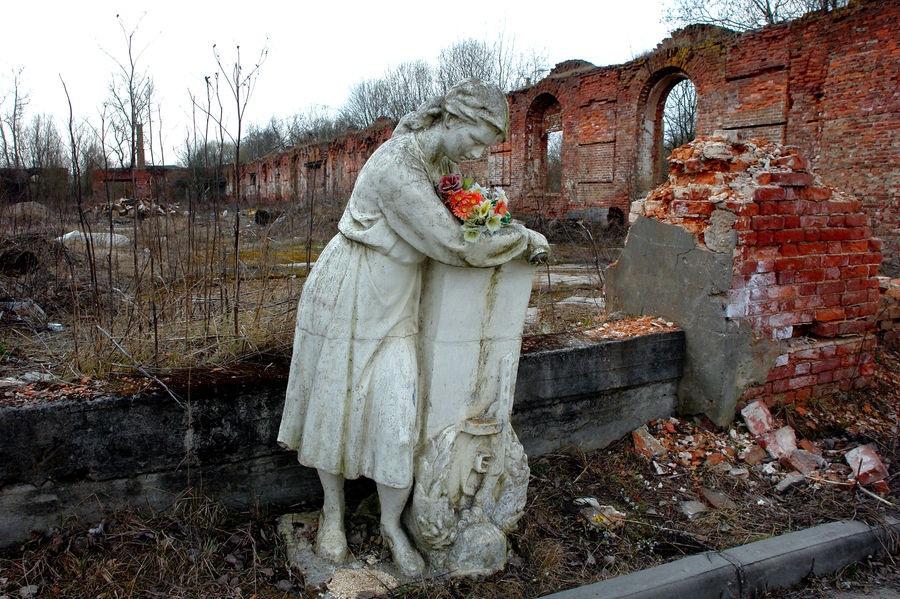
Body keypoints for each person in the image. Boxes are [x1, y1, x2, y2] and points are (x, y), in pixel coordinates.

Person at [277, 79, 548, 577]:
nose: (482, 152)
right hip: (352, 292)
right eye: (480, 137)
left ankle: (391, 523)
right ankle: (332, 515)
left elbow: (469, 222)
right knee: (337, 409)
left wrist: (500, 226)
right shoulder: (396, 165)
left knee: (397, 415)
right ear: (452, 118)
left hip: (399, 302)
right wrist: (521, 237)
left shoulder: (440, 166)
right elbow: (453, 243)